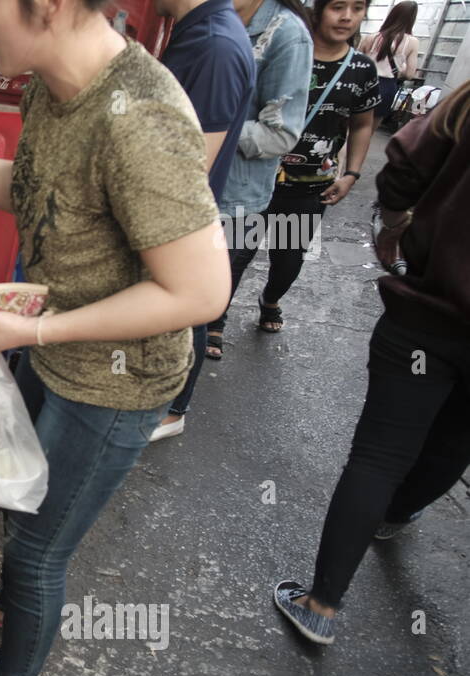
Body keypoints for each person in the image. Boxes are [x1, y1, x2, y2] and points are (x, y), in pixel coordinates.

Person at [0, 0, 230, 676]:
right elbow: (32, 187)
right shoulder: (51, 82)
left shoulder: (140, 117)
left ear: (53, 6)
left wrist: (36, 335)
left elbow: (201, 290)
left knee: (40, 546)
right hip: (49, 339)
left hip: (113, 384)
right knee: (20, 505)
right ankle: (7, 604)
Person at [274, 80, 470, 645]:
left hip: (430, 313)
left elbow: (405, 161)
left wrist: (396, 223)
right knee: (458, 437)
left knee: (379, 455)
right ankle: (398, 514)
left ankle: (322, 604)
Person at [221, 0, 379, 340]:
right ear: (318, 10)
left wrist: (351, 174)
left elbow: (363, 124)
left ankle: (271, 299)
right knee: (234, 255)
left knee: (288, 259)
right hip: (255, 177)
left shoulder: (361, 68)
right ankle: (215, 318)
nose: (347, 16)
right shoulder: (282, 46)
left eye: (358, 8)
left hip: (309, 186)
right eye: (338, 6)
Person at [148, 0, 256, 441]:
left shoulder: (215, 45)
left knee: (181, 310)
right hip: (172, 214)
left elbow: (192, 164)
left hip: (175, 216)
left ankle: (172, 410)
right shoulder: (200, 31)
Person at [205, 0, 314, 360]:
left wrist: (206, 126)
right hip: (189, 185)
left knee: (197, 310)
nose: (346, 16)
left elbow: (281, 134)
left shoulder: (287, 35)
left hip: (239, 197)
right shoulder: (208, 14)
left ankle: (174, 410)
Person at [360, 1, 420, 126]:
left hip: (363, 83)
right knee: (367, 132)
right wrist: (400, 69)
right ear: (412, 19)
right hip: (386, 87)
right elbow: (409, 74)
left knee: (351, 130)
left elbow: (356, 64)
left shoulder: (371, 37)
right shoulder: (412, 42)